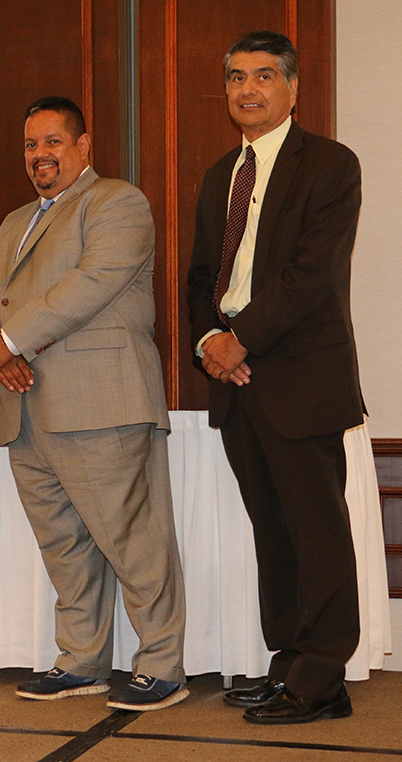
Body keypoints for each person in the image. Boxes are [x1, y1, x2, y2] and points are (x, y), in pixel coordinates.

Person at [0, 96, 187, 712]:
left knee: (134, 540)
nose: (41, 154)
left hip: (103, 402)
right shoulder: (12, 223)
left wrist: (7, 342)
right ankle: (82, 660)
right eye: (32, 145)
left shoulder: (117, 202)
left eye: (53, 142)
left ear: (84, 146)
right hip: (28, 410)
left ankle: (163, 665)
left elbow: (90, 284)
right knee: (64, 545)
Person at [187, 31, 364, 724]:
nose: (246, 89)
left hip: (299, 375)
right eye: (235, 77)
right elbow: (204, 276)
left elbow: (310, 278)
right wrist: (209, 338)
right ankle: (291, 662)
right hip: (235, 381)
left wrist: (239, 338)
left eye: (262, 75)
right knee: (274, 531)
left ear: (293, 87)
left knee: (315, 531)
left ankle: (321, 677)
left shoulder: (328, 165)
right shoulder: (217, 176)